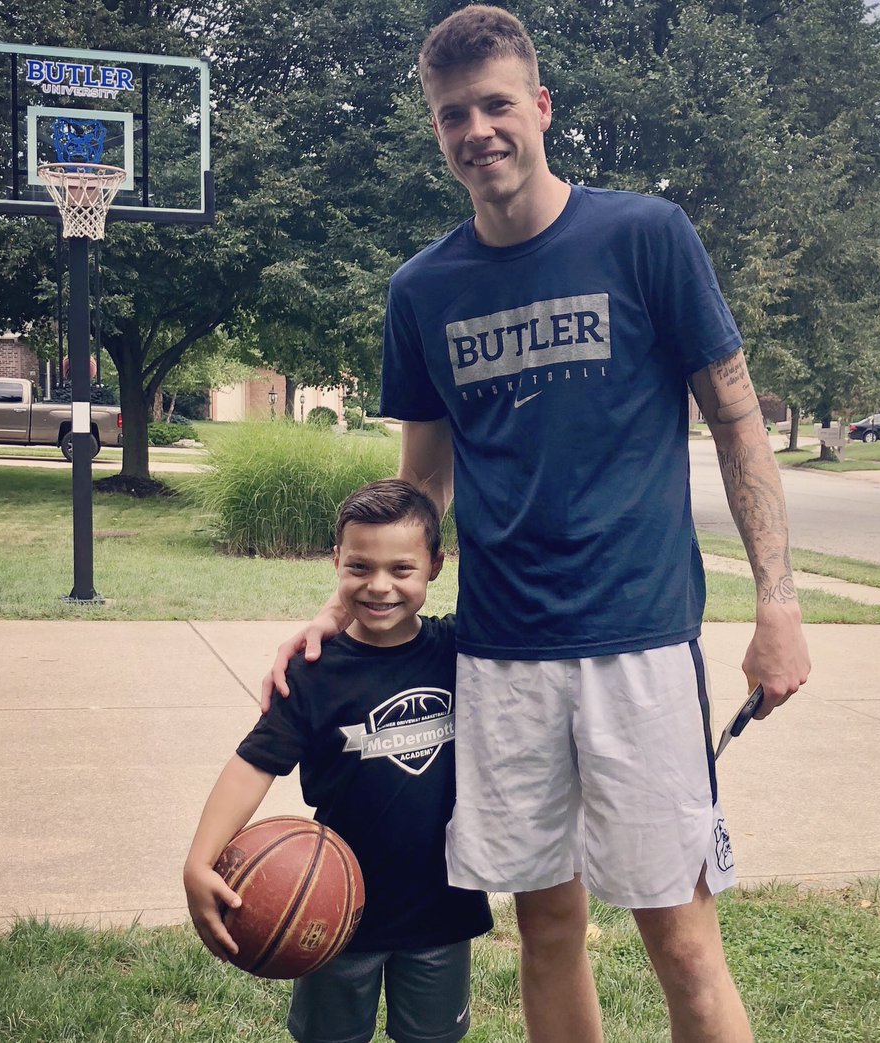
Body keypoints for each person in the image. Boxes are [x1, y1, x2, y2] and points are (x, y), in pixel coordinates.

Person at [264, 7, 811, 1041]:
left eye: (497, 103)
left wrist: (778, 604)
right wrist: (344, 607)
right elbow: (419, 480)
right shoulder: (421, 289)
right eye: (452, 113)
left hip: (638, 642)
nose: (478, 129)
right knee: (546, 927)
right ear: (436, 129)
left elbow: (738, 423)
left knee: (683, 939)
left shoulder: (645, 236)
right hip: (502, 653)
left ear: (542, 107)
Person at [185, 479, 492, 1043]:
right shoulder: (312, 672)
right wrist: (199, 861)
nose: (379, 586)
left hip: (444, 906)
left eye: (402, 569)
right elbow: (255, 763)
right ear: (336, 563)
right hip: (329, 906)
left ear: (436, 566)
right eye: (359, 567)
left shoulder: (462, 651)